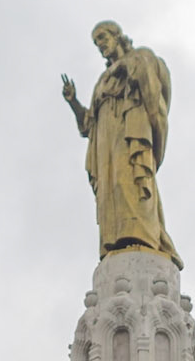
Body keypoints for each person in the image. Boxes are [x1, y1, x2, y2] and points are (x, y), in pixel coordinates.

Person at [62, 21, 181, 267]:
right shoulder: (102, 81)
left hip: (130, 130)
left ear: (117, 36)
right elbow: (87, 124)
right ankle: (115, 239)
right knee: (112, 187)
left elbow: (154, 85)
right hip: (104, 137)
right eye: (97, 43)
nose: (101, 45)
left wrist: (125, 67)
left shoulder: (141, 57)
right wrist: (73, 101)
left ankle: (145, 236)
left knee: (133, 182)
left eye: (104, 38)